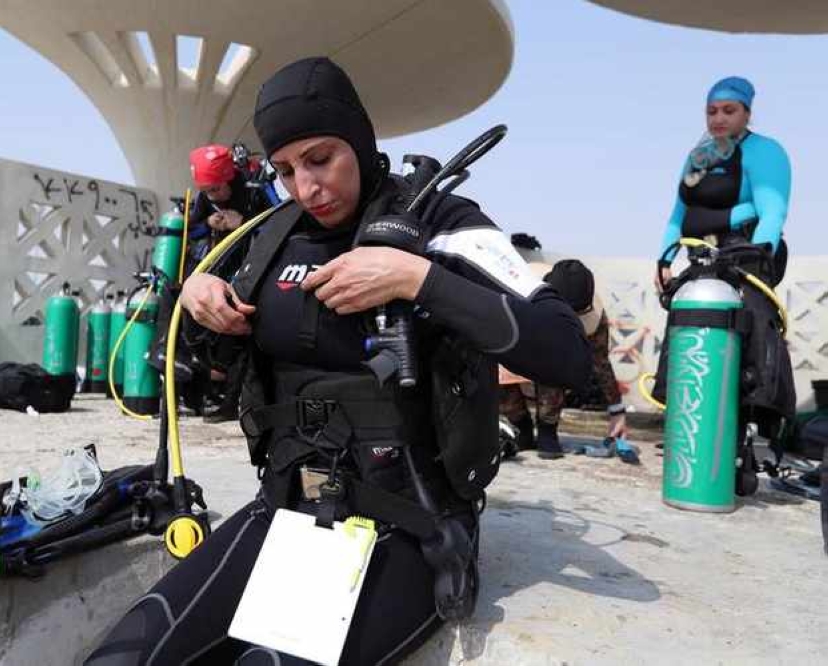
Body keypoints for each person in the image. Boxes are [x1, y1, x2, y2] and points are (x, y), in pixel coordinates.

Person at [86, 57, 591, 665]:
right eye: (285, 170)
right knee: (123, 657)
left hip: (410, 527)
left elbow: (563, 350)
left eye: (321, 159)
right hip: (286, 511)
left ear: (359, 138)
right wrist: (198, 303)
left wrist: (417, 278)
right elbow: (214, 365)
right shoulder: (270, 237)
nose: (306, 187)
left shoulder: (436, 222)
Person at [652, 76, 795, 436]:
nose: (718, 118)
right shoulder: (698, 157)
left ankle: (752, 416)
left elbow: (773, 212)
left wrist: (757, 262)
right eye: (712, 111)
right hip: (702, 256)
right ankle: (688, 413)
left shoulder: (764, 151)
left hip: (746, 251)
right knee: (690, 322)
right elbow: (677, 215)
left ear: (747, 113)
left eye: (729, 111)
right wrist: (664, 260)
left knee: (748, 329)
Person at [183, 145, 278, 422]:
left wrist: (243, 223)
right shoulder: (206, 196)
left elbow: (281, 222)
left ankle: (229, 396)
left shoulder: (254, 188)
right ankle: (203, 385)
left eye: (216, 190)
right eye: (207, 191)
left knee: (236, 325)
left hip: (250, 268)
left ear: (229, 178)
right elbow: (192, 228)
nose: (212, 195)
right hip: (216, 267)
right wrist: (209, 223)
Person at [501, 259, 627, 459]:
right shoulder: (512, 289)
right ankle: (521, 428)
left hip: (551, 353)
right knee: (496, 362)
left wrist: (617, 410)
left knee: (558, 361)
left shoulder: (595, 316)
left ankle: (547, 430)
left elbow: (600, 362)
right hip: (518, 335)